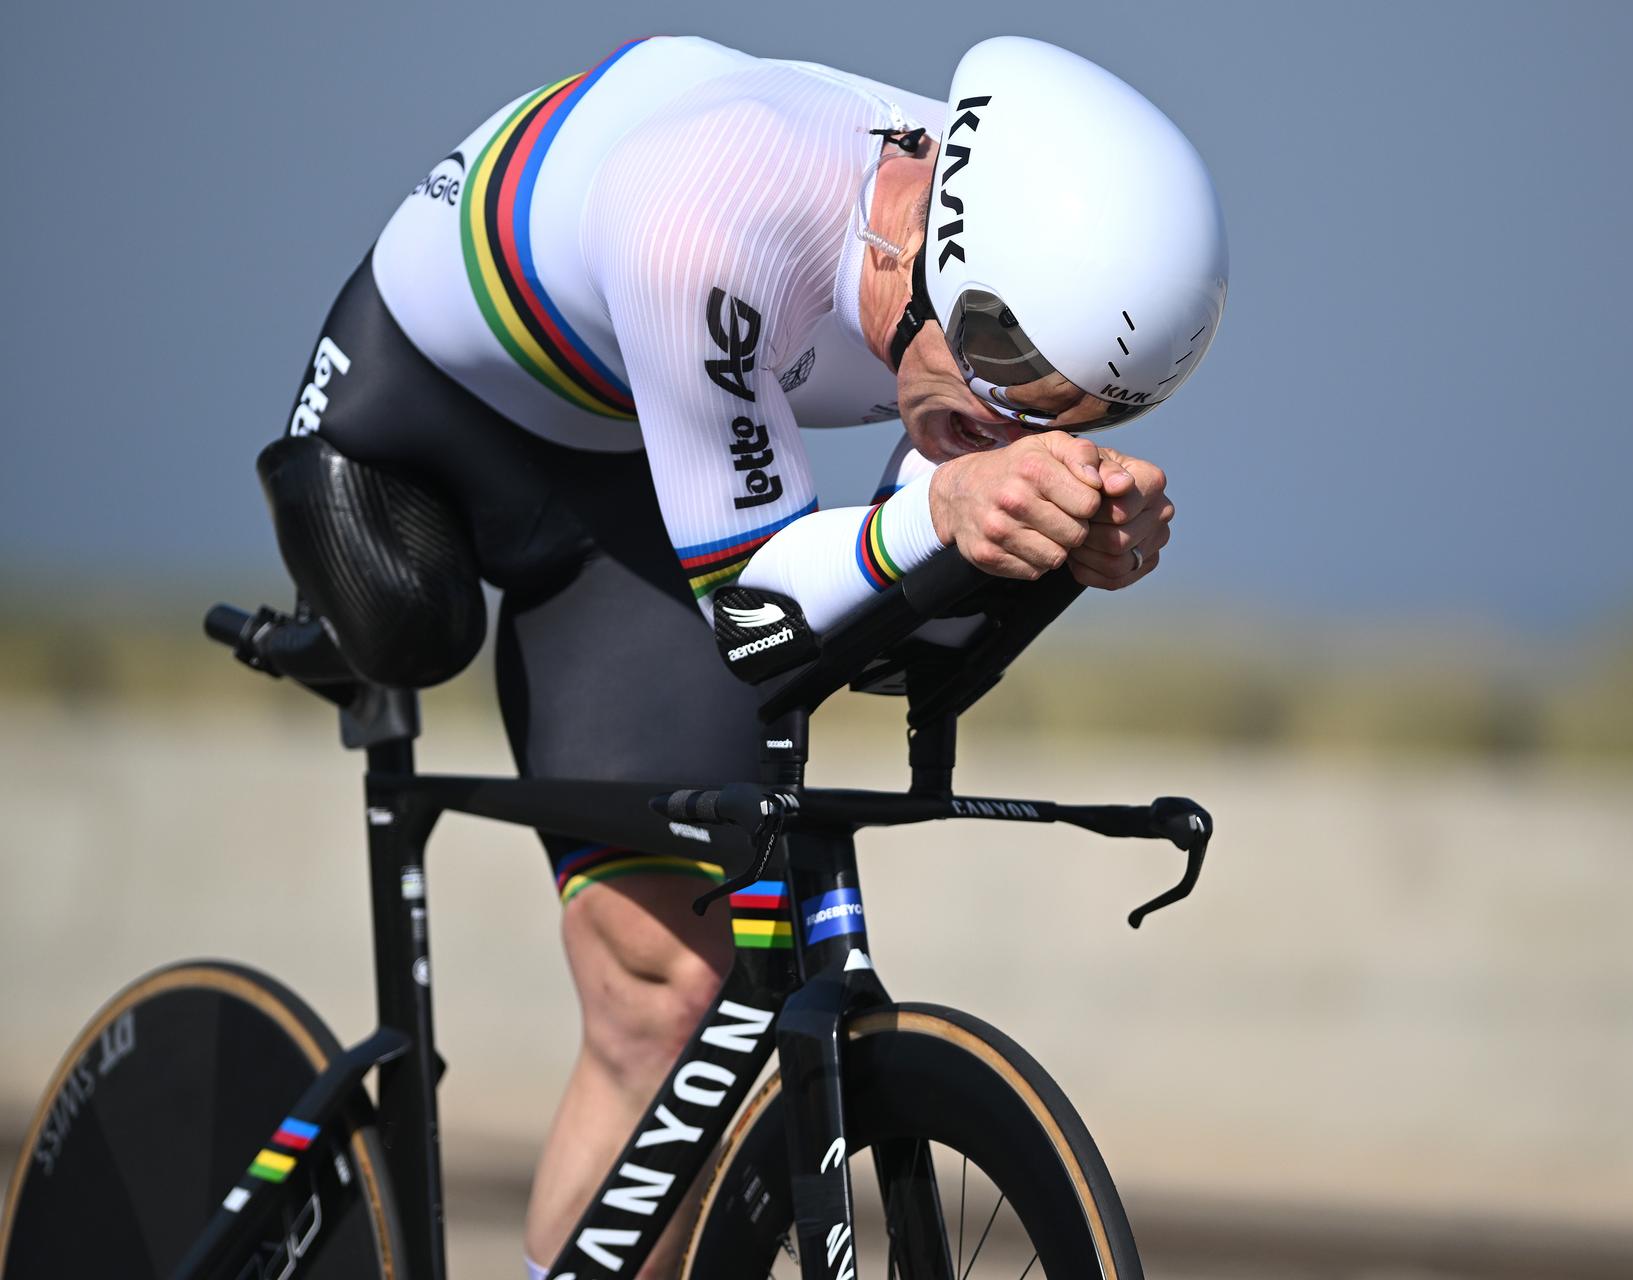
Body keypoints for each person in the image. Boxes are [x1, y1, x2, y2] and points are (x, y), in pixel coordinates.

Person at [265, 33, 1226, 1278]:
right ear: (923, 248)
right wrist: (947, 513)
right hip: (421, 420)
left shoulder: (1003, 285)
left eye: (1077, 410)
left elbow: (890, 644)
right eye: (1007, 375)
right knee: (413, 624)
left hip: (641, 474)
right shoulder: (713, 210)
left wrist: (1061, 543)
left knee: (662, 998)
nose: (1013, 421)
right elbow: (760, 614)